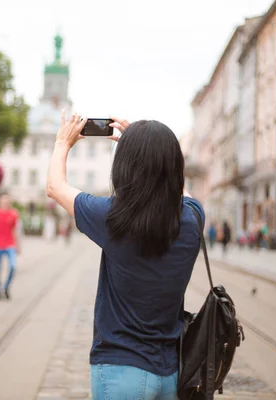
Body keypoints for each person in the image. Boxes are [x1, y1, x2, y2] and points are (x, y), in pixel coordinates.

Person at [46, 113, 203, 399]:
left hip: (120, 372)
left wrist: (62, 143)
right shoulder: (192, 220)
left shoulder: (112, 217)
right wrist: (154, 151)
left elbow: (55, 187)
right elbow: (182, 189)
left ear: (124, 166)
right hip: (170, 373)